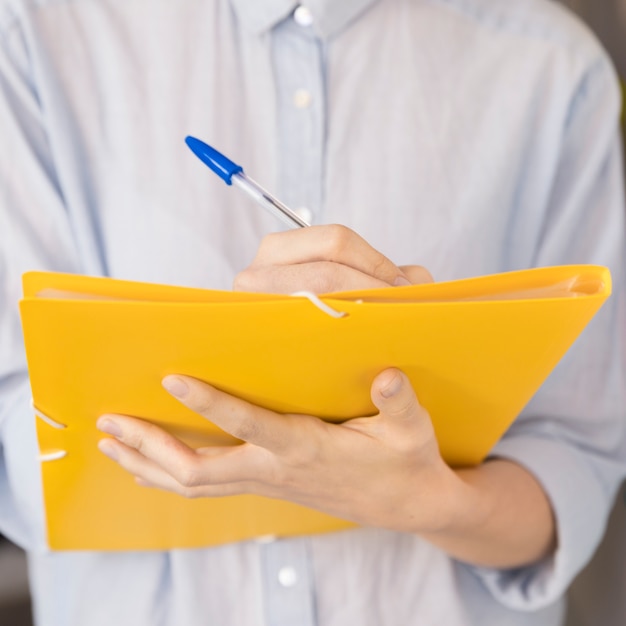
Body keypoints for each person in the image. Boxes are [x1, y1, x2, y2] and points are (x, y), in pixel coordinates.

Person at [0, 1, 625, 625]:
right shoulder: (37, 33)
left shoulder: (553, 69)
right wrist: (253, 377)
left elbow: (575, 460)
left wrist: (430, 501)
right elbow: (21, 447)